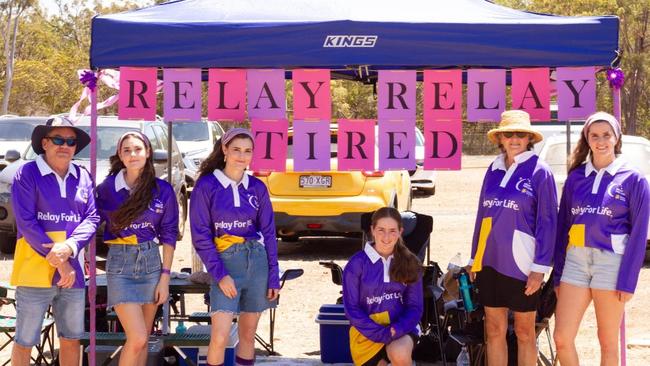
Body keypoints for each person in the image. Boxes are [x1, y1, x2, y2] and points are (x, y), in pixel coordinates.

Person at [553, 112, 649, 366]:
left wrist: (628, 280)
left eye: (607, 135)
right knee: (562, 338)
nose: (601, 141)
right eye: (594, 136)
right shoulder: (575, 177)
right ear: (587, 139)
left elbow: (639, 234)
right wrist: (557, 273)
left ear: (616, 138)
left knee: (607, 342)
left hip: (612, 264)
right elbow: (563, 227)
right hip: (575, 262)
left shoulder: (634, 178)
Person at [469, 110, 557, 366]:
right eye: (509, 134)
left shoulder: (540, 171)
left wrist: (539, 269)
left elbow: (548, 223)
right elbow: (482, 214)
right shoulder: (493, 169)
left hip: (522, 264)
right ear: (501, 138)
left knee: (525, 332)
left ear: (529, 138)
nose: (515, 139)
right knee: (494, 331)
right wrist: (476, 256)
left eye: (521, 134)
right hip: (489, 262)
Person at [10, 116, 99, 366]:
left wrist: (69, 248)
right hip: (35, 270)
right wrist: (61, 262)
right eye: (58, 139)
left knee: (71, 339)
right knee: (25, 340)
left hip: (74, 272)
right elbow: (27, 223)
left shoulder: (83, 176)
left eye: (70, 141)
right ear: (45, 143)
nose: (65, 145)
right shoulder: (26, 173)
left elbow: (92, 218)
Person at [190, 127, 279, 366]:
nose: (242, 156)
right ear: (224, 150)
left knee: (248, 336)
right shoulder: (207, 185)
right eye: (236, 149)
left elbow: (269, 233)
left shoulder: (257, 187)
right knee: (220, 337)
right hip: (226, 264)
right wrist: (220, 275)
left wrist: (273, 277)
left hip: (257, 264)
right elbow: (200, 236)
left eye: (248, 151)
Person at [95, 131, 178, 365]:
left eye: (138, 149)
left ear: (148, 152)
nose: (133, 155)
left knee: (144, 340)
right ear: (120, 155)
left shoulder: (162, 189)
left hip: (151, 263)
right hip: (120, 265)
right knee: (138, 336)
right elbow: (91, 222)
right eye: (127, 150)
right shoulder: (107, 188)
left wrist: (164, 277)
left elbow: (170, 234)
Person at [342, 207, 423, 366]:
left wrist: (396, 329)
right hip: (366, 333)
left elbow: (415, 306)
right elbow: (351, 309)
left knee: (399, 353)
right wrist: (380, 333)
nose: (386, 236)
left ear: (400, 231)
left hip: (400, 329)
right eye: (381, 230)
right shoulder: (356, 264)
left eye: (392, 230)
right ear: (372, 230)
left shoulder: (411, 262)